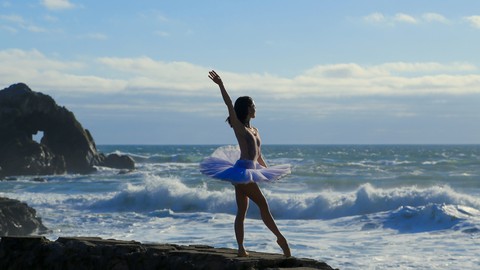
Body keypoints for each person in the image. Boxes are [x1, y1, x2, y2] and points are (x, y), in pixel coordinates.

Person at [200, 70, 291, 257]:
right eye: (254, 106)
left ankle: (241, 249)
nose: (256, 109)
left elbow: (258, 155)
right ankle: (281, 239)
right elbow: (229, 105)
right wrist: (221, 85)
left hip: (250, 170)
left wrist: (267, 171)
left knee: (242, 211)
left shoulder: (255, 130)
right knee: (263, 205)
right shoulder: (240, 127)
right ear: (248, 108)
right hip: (241, 171)